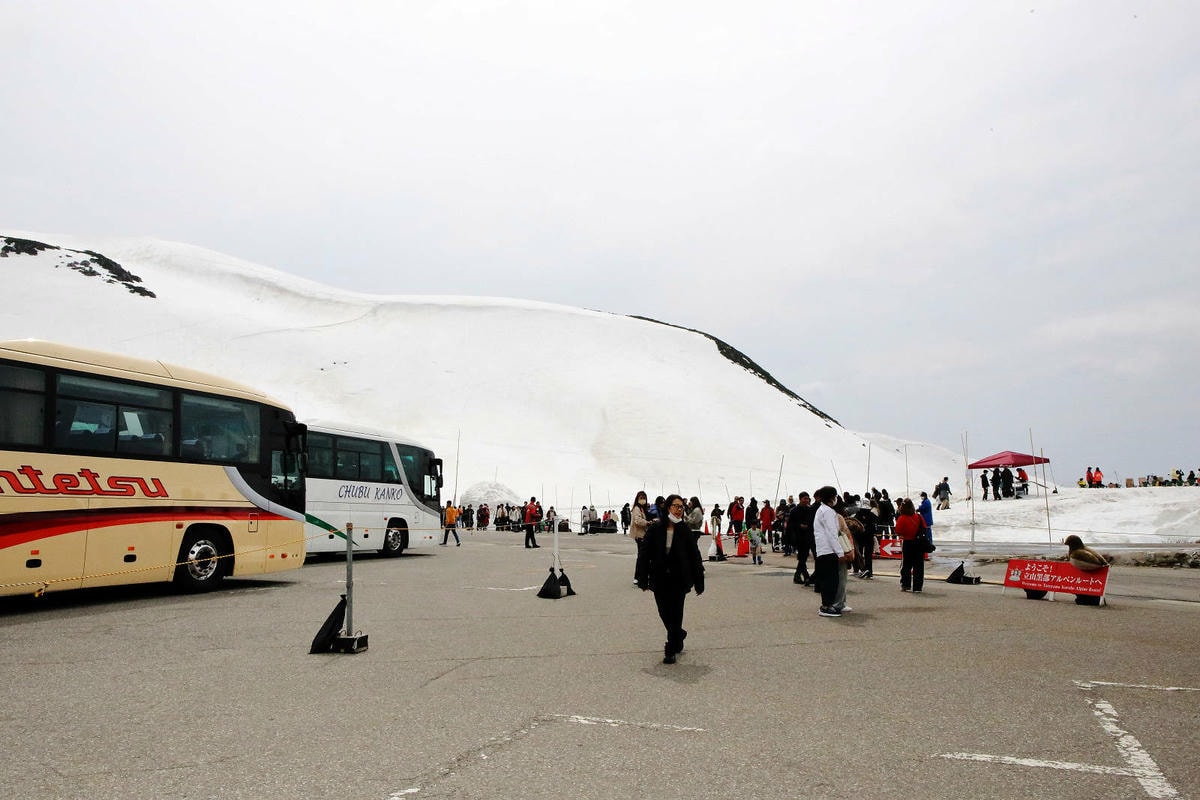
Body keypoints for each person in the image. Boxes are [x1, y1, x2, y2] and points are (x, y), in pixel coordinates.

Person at [635, 494, 705, 664]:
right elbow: (644, 554)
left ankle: (670, 648)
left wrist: (699, 581)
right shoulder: (656, 528)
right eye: (675, 506)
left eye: (681, 507)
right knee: (664, 612)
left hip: (678, 579)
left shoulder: (685, 531)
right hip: (659, 578)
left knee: (676, 613)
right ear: (668, 507)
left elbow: (694, 556)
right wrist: (642, 577)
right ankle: (678, 634)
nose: (679, 509)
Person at [812, 486, 846, 617]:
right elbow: (832, 533)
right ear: (832, 497)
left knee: (828, 579)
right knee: (831, 580)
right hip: (828, 550)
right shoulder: (828, 512)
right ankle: (826, 606)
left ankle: (827, 605)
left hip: (823, 550)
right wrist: (840, 552)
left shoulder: (822, 510)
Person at [894, 498, 926, 592]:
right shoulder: (919, 517)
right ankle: (917, 587)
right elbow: (925, 527)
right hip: (919, 543)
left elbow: (898, 531)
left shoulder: (902, 518)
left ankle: (905, 584)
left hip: (908, 543)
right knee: (919, 566)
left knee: (906, 565)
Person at [786, 492, 816, 585]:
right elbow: (790, 524)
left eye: (808, 498)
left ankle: (799, 575)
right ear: (800, 499)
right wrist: (799, 526)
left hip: (808, 536)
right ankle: (804, 575)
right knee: (802, 556)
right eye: (805, 498)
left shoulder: (809, 509)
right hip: (798, 536)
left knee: (804, 556)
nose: (806, 500)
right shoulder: (794, 510)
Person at [630, 491, 652, 585]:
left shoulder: (642, 508)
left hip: (643, 534)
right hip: (639, 535)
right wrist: (647, 523)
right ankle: (638, 577)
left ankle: (641, 576)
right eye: (641, 498)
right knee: (642, 557)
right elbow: (637, 520)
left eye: (644, 498)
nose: (642, 500)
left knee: (643, 556)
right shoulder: (636, 508)